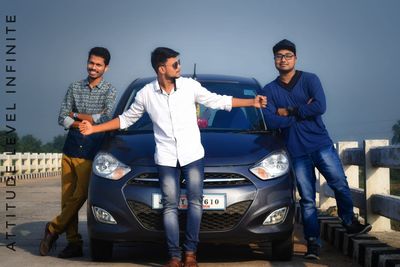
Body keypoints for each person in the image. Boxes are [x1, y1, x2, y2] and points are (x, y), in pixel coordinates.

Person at [79, 47, 266, 267]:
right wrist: (94, 129)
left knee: (195, 203)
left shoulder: (189, 87)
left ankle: (191, 254)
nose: (180, 67)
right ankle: (174, 256)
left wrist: (251, 102)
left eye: (179, 63)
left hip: (192, 155)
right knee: (170, 206)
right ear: (162, 69)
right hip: (166, 158)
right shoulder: (146, 93)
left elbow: (218, 101)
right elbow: (125, 120)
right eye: (175, 64)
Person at [259, 39, 371, 260]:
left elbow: (320, 106)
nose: (283, 59)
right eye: (279, 56)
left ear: (295, 58)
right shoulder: (269, 90)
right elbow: (271, 121)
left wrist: (288, 111)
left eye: (287, 56)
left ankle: (348, 221)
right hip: (296, 151)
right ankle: (313, 244)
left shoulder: (310, 79)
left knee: (339, 183)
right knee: (308, 200)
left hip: (320, 144)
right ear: (274, 60)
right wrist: (302, 111)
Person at [39, 47, 117, 258]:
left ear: (106, 68)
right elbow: (62, 117)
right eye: (91, 63)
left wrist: (76, 116)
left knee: (81, 195)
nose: (93, 67)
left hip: (91, 152)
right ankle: (73, 243)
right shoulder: (74, 87)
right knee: (67, 198)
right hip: (70, 148)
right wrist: (84, 120)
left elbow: (107, 117)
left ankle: (53, 228)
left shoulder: (110, 90)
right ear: (88, 63)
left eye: (98, 64)